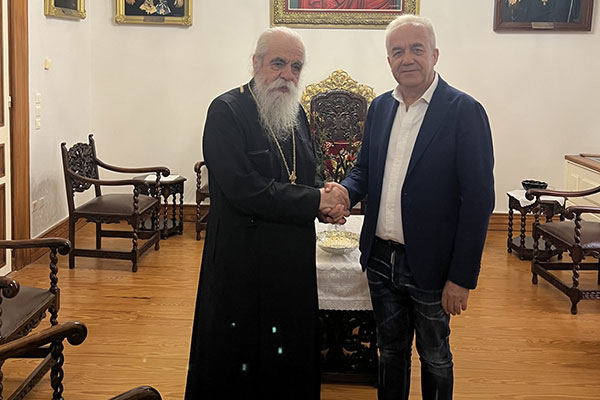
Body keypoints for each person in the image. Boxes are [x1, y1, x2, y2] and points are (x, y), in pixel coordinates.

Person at [184, 27, 349, 400]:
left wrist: (323, 196)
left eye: (296, 66)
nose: (287, 75)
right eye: (278, 63)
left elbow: (305, 172)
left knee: (288, 352)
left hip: (291, 262)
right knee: (240, 358)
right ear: (256, 63)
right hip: (243, 263)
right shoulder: (226, 111)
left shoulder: (296, 111)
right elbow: (243, 189)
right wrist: (314, 200)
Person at [340, 14, 495, 400]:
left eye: (416, 49)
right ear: (388, 60)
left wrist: (461, 277)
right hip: (380, 258)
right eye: (397, 52)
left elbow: (479, 201)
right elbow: (364, 171)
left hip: (432, 264)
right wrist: (343, 192)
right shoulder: (380, 108)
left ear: (434, 55)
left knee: (435, 356)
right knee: (390, 351)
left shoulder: (464, 111)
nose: (407, 58)